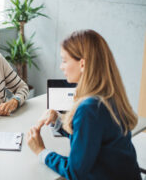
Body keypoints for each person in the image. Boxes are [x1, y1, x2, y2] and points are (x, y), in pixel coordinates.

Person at [27, 29, 141, 180]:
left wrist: (41, 151)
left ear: (82, 64)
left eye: (64, 61)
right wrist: (58, 123)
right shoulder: (109, 95)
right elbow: (90, 139)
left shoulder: (90, 108)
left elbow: (75, 172)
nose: (61, 67)